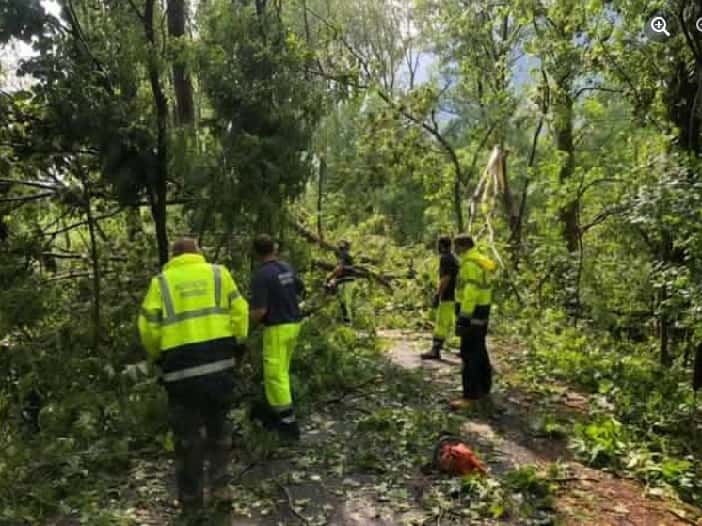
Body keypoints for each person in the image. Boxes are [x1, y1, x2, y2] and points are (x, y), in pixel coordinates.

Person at [138, 238, 249, 524]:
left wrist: (158, 357)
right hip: (220, 366)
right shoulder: (218, 274)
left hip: (181, 373)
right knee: (220, 431)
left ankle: (191, 504)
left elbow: (148, 328)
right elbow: (240, 312)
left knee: (187, 439)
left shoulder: (160, 283)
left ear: (174, 256)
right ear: (198, 253)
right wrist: (238, 345)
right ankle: (221, 490)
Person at [249, 234, 304, 441]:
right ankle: (275, 413)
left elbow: (260, 311)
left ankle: (287, 424)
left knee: (275, 375)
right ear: (275, 249)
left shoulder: (261, 276)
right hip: (293, 324)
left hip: (277, 328)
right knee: (282, 370)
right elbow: (299, 288)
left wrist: (244, 327)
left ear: (255, 253)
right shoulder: (286, 268)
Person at [450, 235, 496, 410]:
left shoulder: (469, 263)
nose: (455, 251)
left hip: (472, 312)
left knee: (468, 352)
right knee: (480, 349)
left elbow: (471, 291)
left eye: (457, 247)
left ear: (463, 246)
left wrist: (463, 317)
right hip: (483, 310)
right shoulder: (480, 260)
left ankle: (469, 396)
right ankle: (484, 389)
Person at [422, 236, 460, 360]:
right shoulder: (454, 258)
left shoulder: (445, 258)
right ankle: (462, 349)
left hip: (447, 296)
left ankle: (435, 350)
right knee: (453, 323)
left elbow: (445, 278)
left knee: (441, 323)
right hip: (456, 296)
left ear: (441, 246)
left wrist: (438, 294)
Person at [326, 240, 357, 324]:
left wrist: (329, 277)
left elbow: (339, 269)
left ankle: (348, 325)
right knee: (343, 303)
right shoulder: (346, 256)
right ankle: (345, 322)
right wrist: (333, 280)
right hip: (346, 281)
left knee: (345, 303)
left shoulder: (343, 255)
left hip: (347, 281)